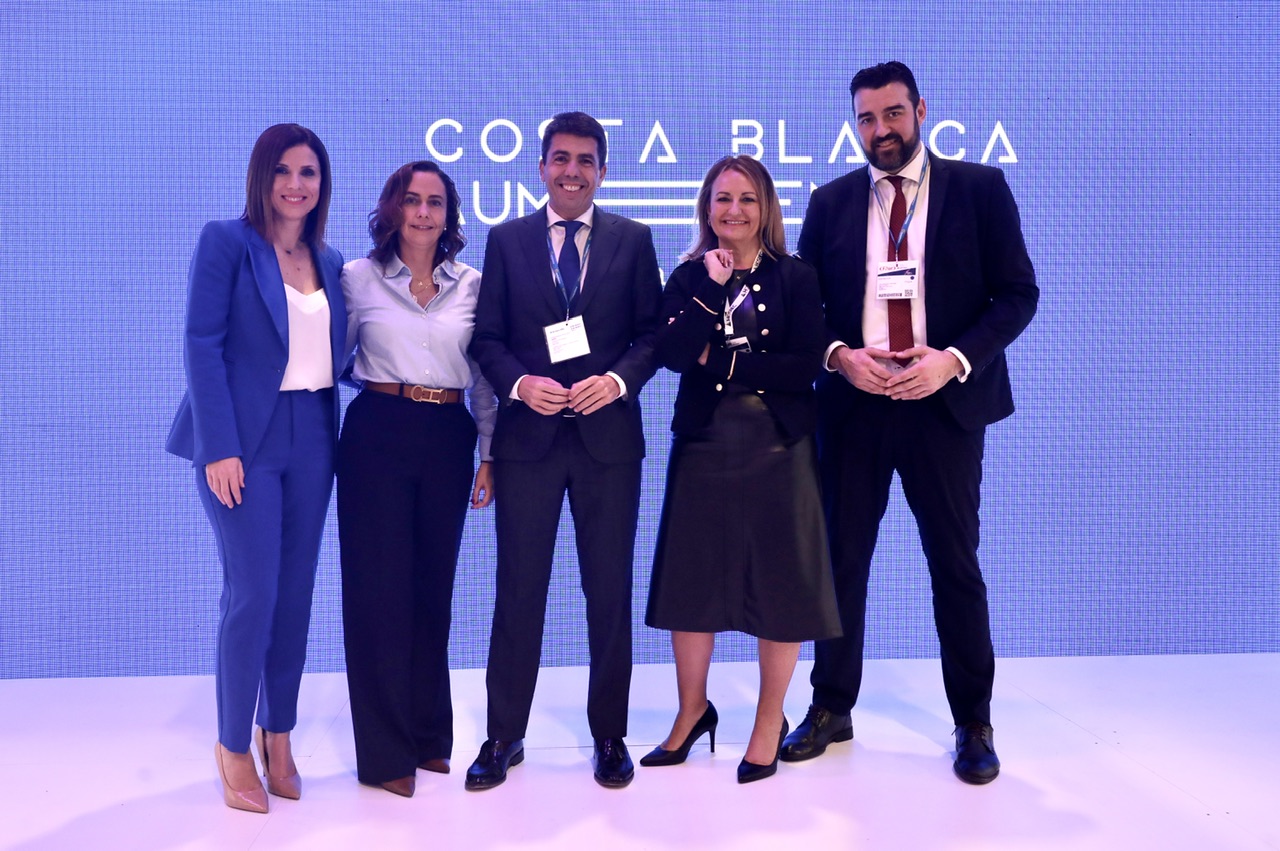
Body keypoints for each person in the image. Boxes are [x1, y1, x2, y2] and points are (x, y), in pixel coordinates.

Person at [781, 61, 1039, 784]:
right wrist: (838, 356)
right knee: (840, 563)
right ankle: (831, 707)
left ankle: (974, 721)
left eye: (892, 114)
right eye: (866, 118)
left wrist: (952, 360)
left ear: (921, 110)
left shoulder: (980, 189)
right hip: (854, 409)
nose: (881, 130)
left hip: (943, 407)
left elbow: (1017, 294)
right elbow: (807, 307)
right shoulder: (831, 201)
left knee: (955, 565)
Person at [466, 111, 663, 791]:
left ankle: (610, 734)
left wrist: (617, 381)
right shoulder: (507, 240)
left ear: (602, 171)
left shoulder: (634, 239)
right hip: (529, 442)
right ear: (542, 166)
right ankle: (503, 734)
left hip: (609, 443)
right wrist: (521, 385)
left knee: (608, 592)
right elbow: (487, 338)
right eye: (560, 158)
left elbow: (651, 336)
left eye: (585, 160)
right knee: (518, 590)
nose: (571, 171)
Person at [641, 156, 841, 784]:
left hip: (779, 446)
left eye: (747, 199)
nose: (734, 210)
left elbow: (802, 367)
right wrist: (710, 286)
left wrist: (723, 363)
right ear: (707, 207)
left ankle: (767, 720)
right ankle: (692, 712)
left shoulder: (796, 276)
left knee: (781, 587)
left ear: (766, 208)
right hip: (704, 443)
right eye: (723, 198)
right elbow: (674, 353)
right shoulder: (687, 276)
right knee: (691, 584)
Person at [166, 124, 347, 812]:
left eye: (309, 172)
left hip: (314, 439)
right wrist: (219, 446)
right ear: (261, 176)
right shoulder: (226, 242)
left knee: (295, 597)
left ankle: (280, 734)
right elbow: (201, 343)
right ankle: (232, 745)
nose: (296, 184)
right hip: (243, 442)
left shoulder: (330, 260)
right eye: (283, 171)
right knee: (253, 594)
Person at [337, 161, 497, 798]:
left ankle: (429, 736)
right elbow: (332, 359)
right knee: (378, 595)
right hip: (378, 429)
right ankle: (384, 757)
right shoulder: (358, 277)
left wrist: (489, 454)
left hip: (448, 434)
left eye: (435, 202)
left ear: (449, 214)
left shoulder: (473, 284)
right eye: (412, 200)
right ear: (392, 209)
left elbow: (481, 378)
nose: (424, 212)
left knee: (433, 589)